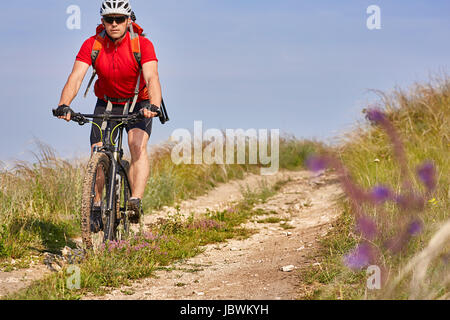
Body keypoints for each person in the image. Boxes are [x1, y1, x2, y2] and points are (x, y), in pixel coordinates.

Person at [55, 0, 162, 223]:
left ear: (128, 20)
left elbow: (152, 77)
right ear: (102, 21)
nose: (114, 24)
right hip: (107, 103)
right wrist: (64, 104)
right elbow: (76, 77)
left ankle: (135, 200)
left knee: (136, 145)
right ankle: (95, 205)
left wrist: (154, 105)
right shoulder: (92, 44)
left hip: (139, 102)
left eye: (119, 19)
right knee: (98, 152)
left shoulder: (142, 44)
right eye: (108, 19)